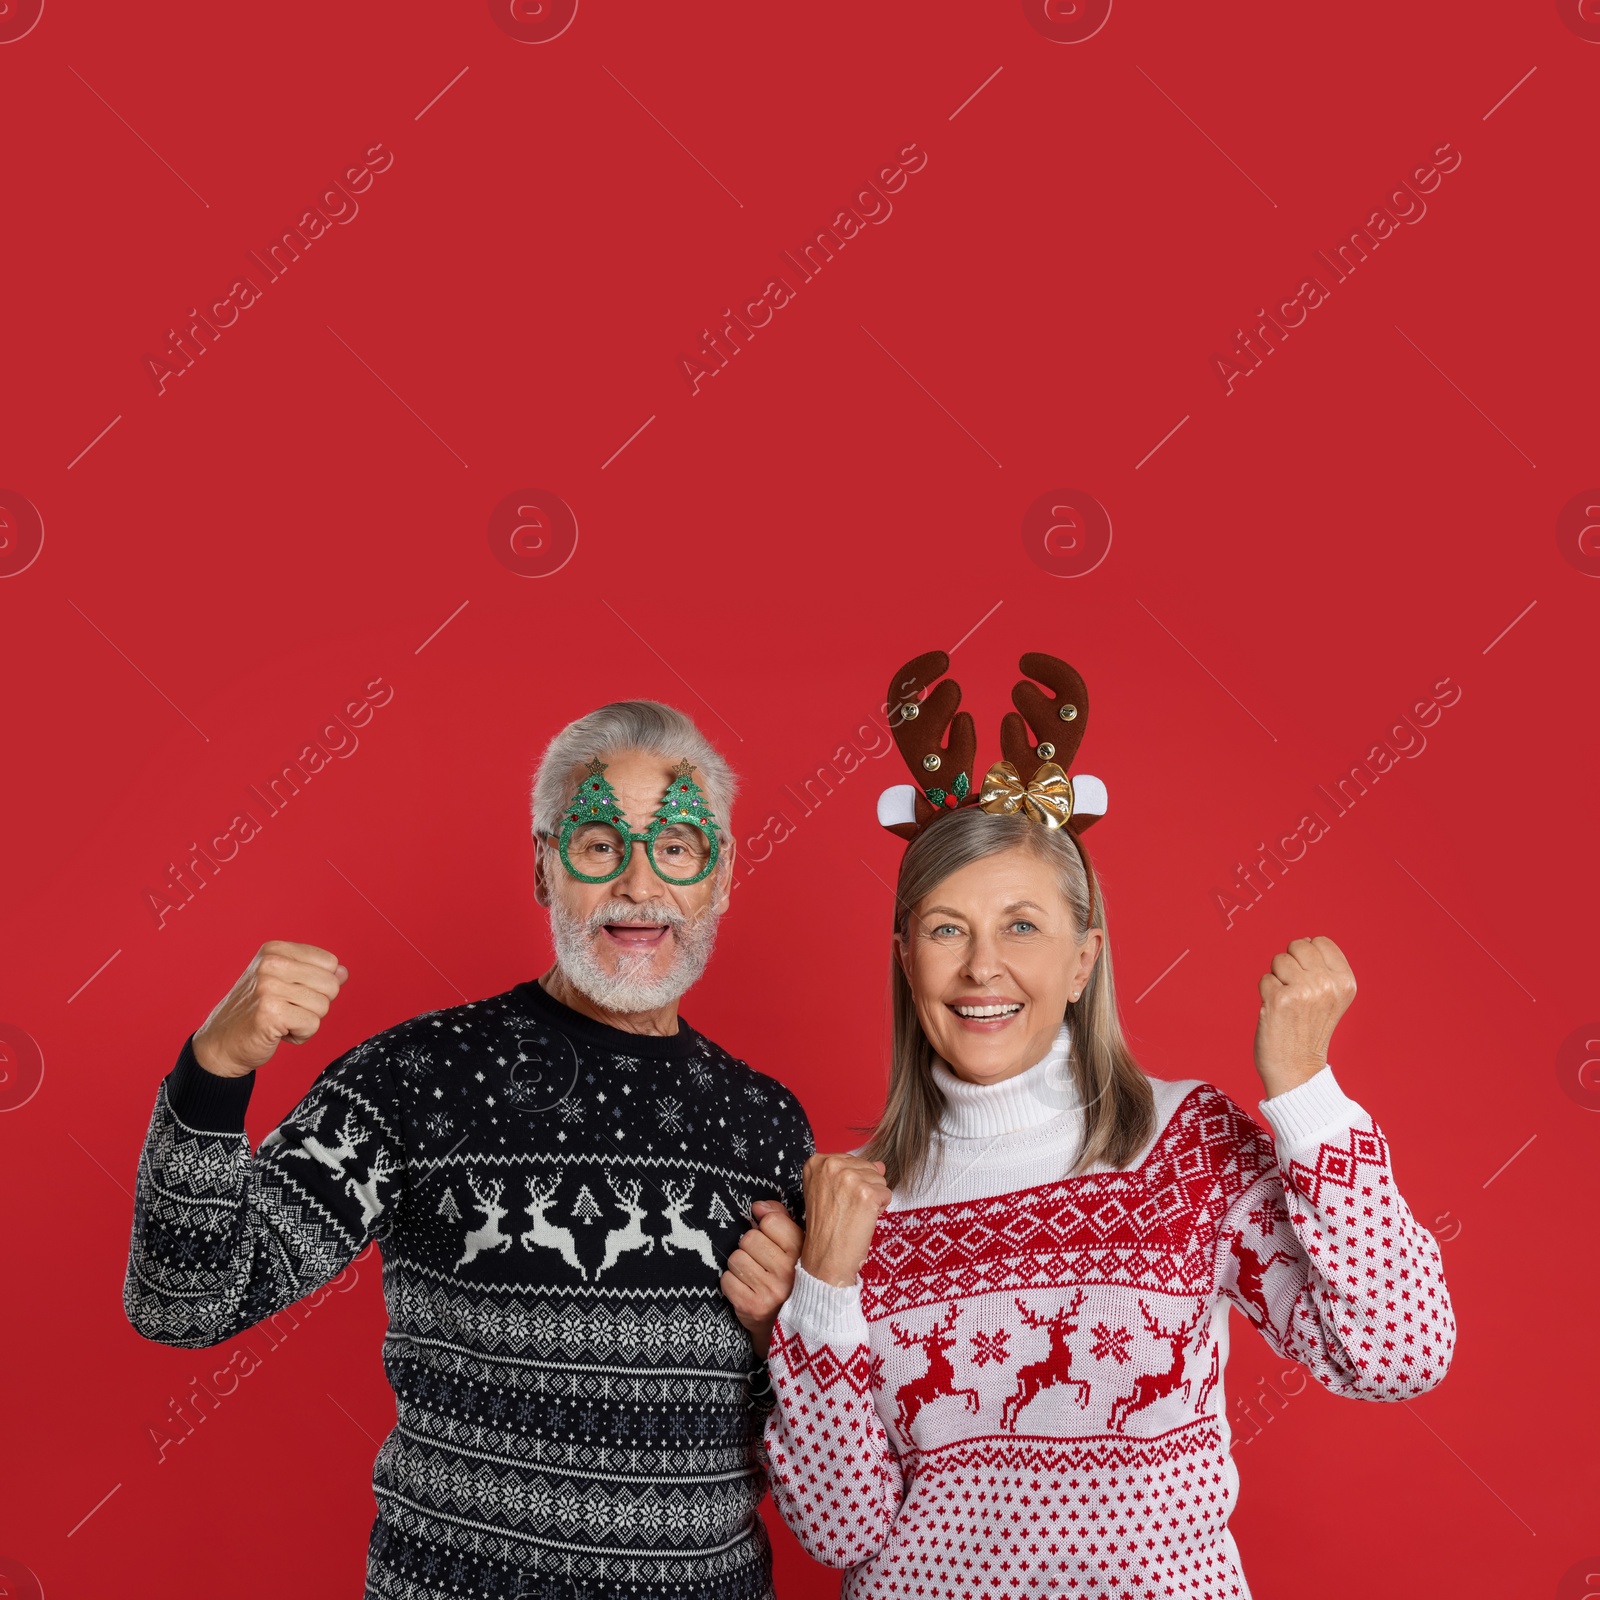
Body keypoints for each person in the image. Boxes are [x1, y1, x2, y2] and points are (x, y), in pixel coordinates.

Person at [761, 650, 1455, 1598]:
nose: (981, 970)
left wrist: (1305, 1093)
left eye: (1022, 926)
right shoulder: (852, 1205)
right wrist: (824, 1291)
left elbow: (1396, 1352)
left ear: (1084, 959)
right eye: (946, 929)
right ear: (905, 956)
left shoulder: (1182, 1146)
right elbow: (841, 1532)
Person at [124, 700, 813, 1600]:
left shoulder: (767, 1125)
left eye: (677, 849)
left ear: (719, 880)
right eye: (600, 844)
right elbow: (184, 1304)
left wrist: (789, 1335)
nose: (640, 886)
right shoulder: (420, 1076)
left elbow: (819, 1459)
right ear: (542, 868)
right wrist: (213, 1072)